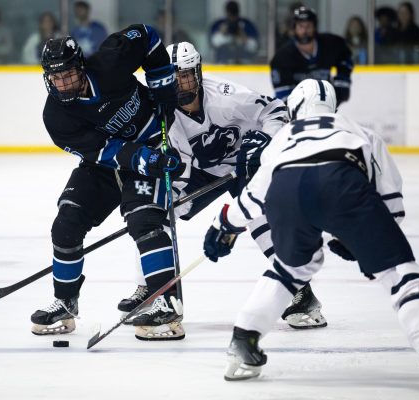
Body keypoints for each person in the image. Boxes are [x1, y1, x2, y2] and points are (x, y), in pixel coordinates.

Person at [202, 79, 419, 393]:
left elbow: (253, 197)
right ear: (332, 106)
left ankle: (243, 341)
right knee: (400, 273)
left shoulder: (284, 135)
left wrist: (223, 226)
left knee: (290, 269)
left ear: (295, 108)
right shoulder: (358, 130)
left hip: (287, 190)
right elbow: (391, 199)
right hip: (340, 180)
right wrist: (370, 246)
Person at [117, 42, 327, 333]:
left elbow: (276, 111)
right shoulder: (161, 111)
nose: (181, 83)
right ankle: (152, 289)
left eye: (187, 75)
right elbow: (169, 157)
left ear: (198, 72)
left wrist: (265, 143)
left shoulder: (226, 97)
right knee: (157, 214)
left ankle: (302, 293)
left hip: (243, 164)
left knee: (259, 219)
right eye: (174, 76)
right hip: (200, 172)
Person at [31, 25, 187, 342]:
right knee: (66, 224)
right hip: (108, 163)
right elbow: (107, 152)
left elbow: (147, 35)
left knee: (144, 219)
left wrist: (162, 85)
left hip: (154, 142)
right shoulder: (57, 116)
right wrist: (146, 160)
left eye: (67, 75)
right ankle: (66, 302)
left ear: (81, 66)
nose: (62, 83)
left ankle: (167, 304)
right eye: (55, 77)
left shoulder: (110, 63)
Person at [269, 7, 353, 105]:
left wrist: (342, 81)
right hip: (297, 112)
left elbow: (345, 56)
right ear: (294, 28)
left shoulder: (331, 44)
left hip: (325, 105)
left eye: (308, 26)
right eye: (301, 26)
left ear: (314, 27)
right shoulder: (282, 57)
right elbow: (283, 96)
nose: (305, 31)